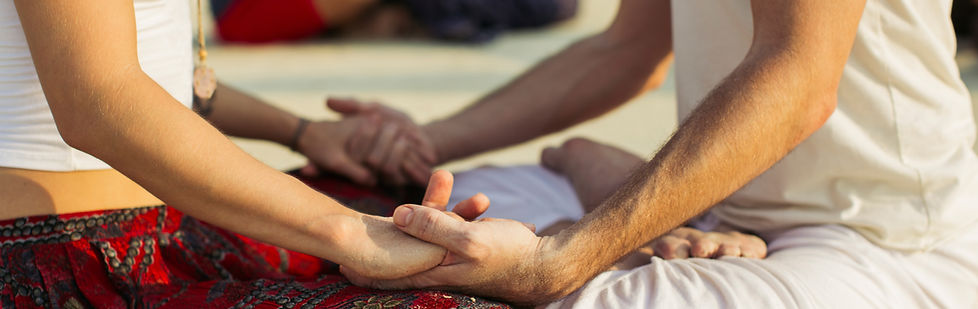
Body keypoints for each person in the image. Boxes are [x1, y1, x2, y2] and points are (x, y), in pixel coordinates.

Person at [338, 0, 978, 307]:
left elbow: (800, 80)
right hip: (718, 206)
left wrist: (564, 259)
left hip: (880, 240)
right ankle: (613, 197)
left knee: (575, 300)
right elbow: (626, 51)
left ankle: (609, 210)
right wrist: (424, 143)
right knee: (433, 215)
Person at [0, 0, 516, 307]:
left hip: (166, 222)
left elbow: (159, 76)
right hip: (59, 258)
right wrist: (353, 236)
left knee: (422, 221)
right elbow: (99, 105)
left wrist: (305, 133)